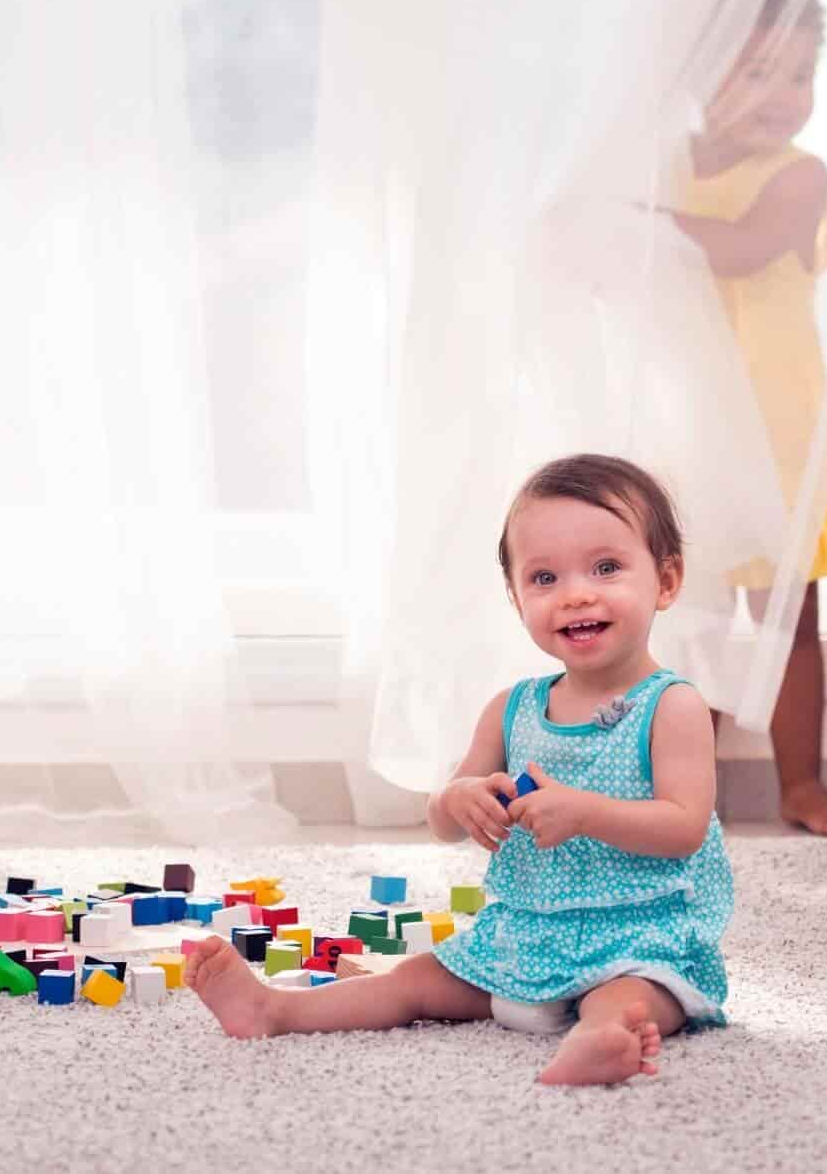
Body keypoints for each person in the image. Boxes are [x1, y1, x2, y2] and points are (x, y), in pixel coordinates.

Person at [185, 455, 731, 1086]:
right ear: (516, 597)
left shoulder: (672, 706)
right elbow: (441, 821)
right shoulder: (512, 708)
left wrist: (585, 812)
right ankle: (274, 1009)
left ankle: (601, 1038)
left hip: (641, 933)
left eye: (606, 568)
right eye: (545, 577)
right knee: (415, 982)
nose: (577, 593)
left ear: (665, 581)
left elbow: (685, 826)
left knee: (630, 996)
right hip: (525, 934)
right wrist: (460, 799)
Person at [668, 0, 827, 838]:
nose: (783, 94)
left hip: (778, 430)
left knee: (789, 619)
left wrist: (635, 220)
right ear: (702, 68)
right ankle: (683, 795)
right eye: (758, 70)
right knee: (684, 614)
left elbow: (739, 249)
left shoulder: (799, 173)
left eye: (800, 74)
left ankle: (802, 783)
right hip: (690, 431)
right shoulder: (665, 166)